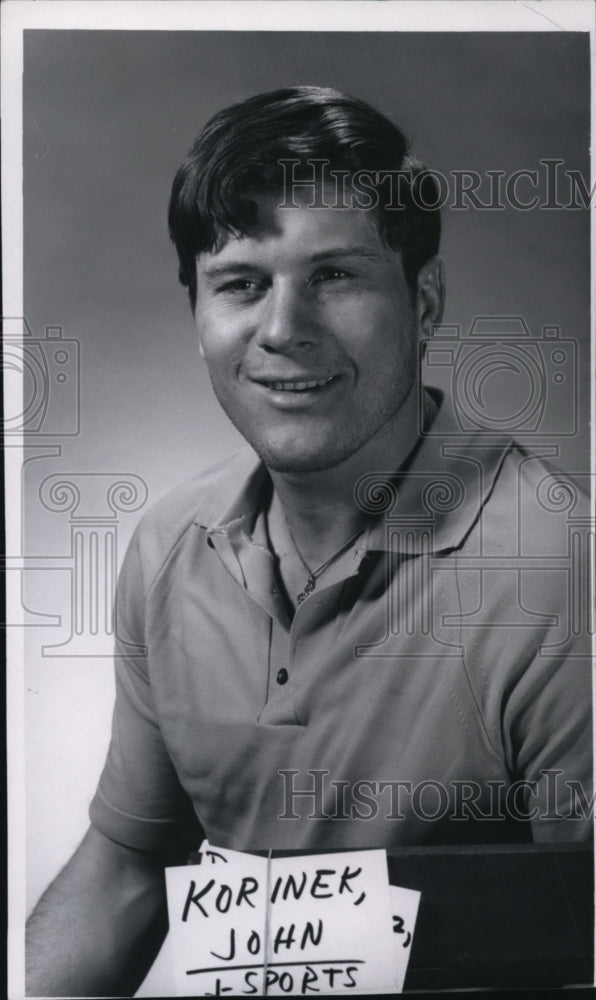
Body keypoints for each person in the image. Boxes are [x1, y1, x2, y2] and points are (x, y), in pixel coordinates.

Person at [26, 86, 592, 996]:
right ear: (198, 319)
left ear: (426, 301)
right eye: (242, 284)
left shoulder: (564, 569)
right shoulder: (172, 544)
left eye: (335, 276)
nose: (285, 331)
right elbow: (128, 871)